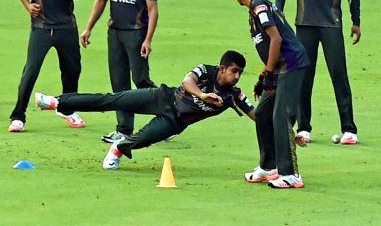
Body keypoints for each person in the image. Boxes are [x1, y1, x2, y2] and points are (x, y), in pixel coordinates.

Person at [34, 51, 255, 169]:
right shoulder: (207, 70)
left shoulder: (233, 96)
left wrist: (282, 126)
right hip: (162, 97)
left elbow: (257, 114)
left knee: (145, 138)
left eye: (240, 73)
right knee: (113, 100)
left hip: (176, 121)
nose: (236, 77)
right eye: (234, 71)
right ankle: (57, 102)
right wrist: (202, 95)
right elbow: (187, 80)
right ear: (223, 68)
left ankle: (119, 149)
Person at [275, 0, 360, 145]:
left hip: (331, 24)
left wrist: (356, 21)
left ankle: (349, 129)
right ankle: (304, 128)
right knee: (304, 75)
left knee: (339, 74)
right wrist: (278, 11)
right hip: (305, 24)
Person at [229, 0, 310, 189]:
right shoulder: (255, 8)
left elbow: (276, 39)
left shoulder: (259, 6)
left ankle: (291, 174)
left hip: (290, 65)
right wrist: (268, 75)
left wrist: (267, 73)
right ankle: (269, 166)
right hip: (278, 68)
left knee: (280, 116)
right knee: (263, 113)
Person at [79, 0, 159, 143]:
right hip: (114, 34)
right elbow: (100, 1)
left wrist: (148, 39)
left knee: (140, 79)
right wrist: (88, 28)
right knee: (119, 82)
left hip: (136, 34)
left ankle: (167, 113)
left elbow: (153, 10)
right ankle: (124, 129)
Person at [9, 0, 86, 132]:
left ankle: (68, 110)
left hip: (67, 27)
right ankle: (18, 116)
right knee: (31, 71)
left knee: (72, 70)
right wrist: (28, 6)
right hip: (42, 27)